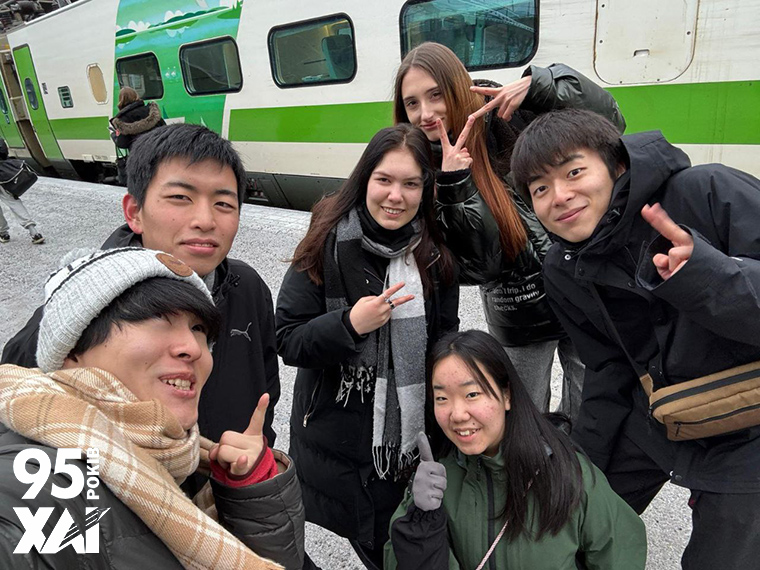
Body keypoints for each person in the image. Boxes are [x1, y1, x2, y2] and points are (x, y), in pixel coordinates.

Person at [510, 108, 760, 569]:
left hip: (751, 427)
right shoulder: (564, 267)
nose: (559, 196)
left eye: (574, 172)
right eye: (540, 188)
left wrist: (708, 276)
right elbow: (608, 371)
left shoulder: (706, 192)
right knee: (569, 525)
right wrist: (579, 471)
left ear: (617, 164)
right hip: (661, 414)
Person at [1, 124, 281, 479]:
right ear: (134, 211)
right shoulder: (70, 320)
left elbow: (265, 385)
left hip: (230, 487)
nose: (206, 220)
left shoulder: (247, 287)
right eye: (180, 197)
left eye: (224, 203)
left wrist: (255, 460)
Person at [0, 247, 303, 569]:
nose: (193, 348)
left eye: (199, 329)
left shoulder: (181, 459)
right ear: (72, 349)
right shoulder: (38, 484)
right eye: (158, 319)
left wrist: (251, 490)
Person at [393, 42, 626, 421]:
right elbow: (479, 266)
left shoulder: (510, 114)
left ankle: (575, 459)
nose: (426, 113)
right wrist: (454, 185)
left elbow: (610, 126)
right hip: (519, 311)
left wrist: (544, 86)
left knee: (591, 409)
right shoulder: (418, 165)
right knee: (524, 416)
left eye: (436, 95)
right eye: (412, 103)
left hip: (583, 290)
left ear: (457, 86)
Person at [276, 124, 459, 570]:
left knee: (405, 543)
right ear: (364, 180)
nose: (396, 196)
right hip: (337, 441)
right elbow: (288, 338)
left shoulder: (434, 251)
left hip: (410, 438)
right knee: (374, 540)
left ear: (424, 189)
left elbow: (445, 336)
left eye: (411, 184)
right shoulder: (326, 239)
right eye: (384, 180)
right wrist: (349, 325)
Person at [385, 329, 646, 569]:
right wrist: (420, 521)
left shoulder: (567, 473)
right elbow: (395, 562)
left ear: (507, 394)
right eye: (442, 398)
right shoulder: (435, 482)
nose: (457, 414)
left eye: (472, 394)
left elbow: (621, 552)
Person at [110, 87, 167, 184]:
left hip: (139, 158)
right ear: (136, 96)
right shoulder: (150, 111)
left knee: (144, 184)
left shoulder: (122, 119)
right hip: (158, 154)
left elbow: (122, 143)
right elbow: (165, 130)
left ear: (121, 100)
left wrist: (114, 136)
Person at [0, 138, 44, 244]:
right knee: (13, 202)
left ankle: (3, 233)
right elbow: (3, 151)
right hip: (2, 175)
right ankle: (34, 232)